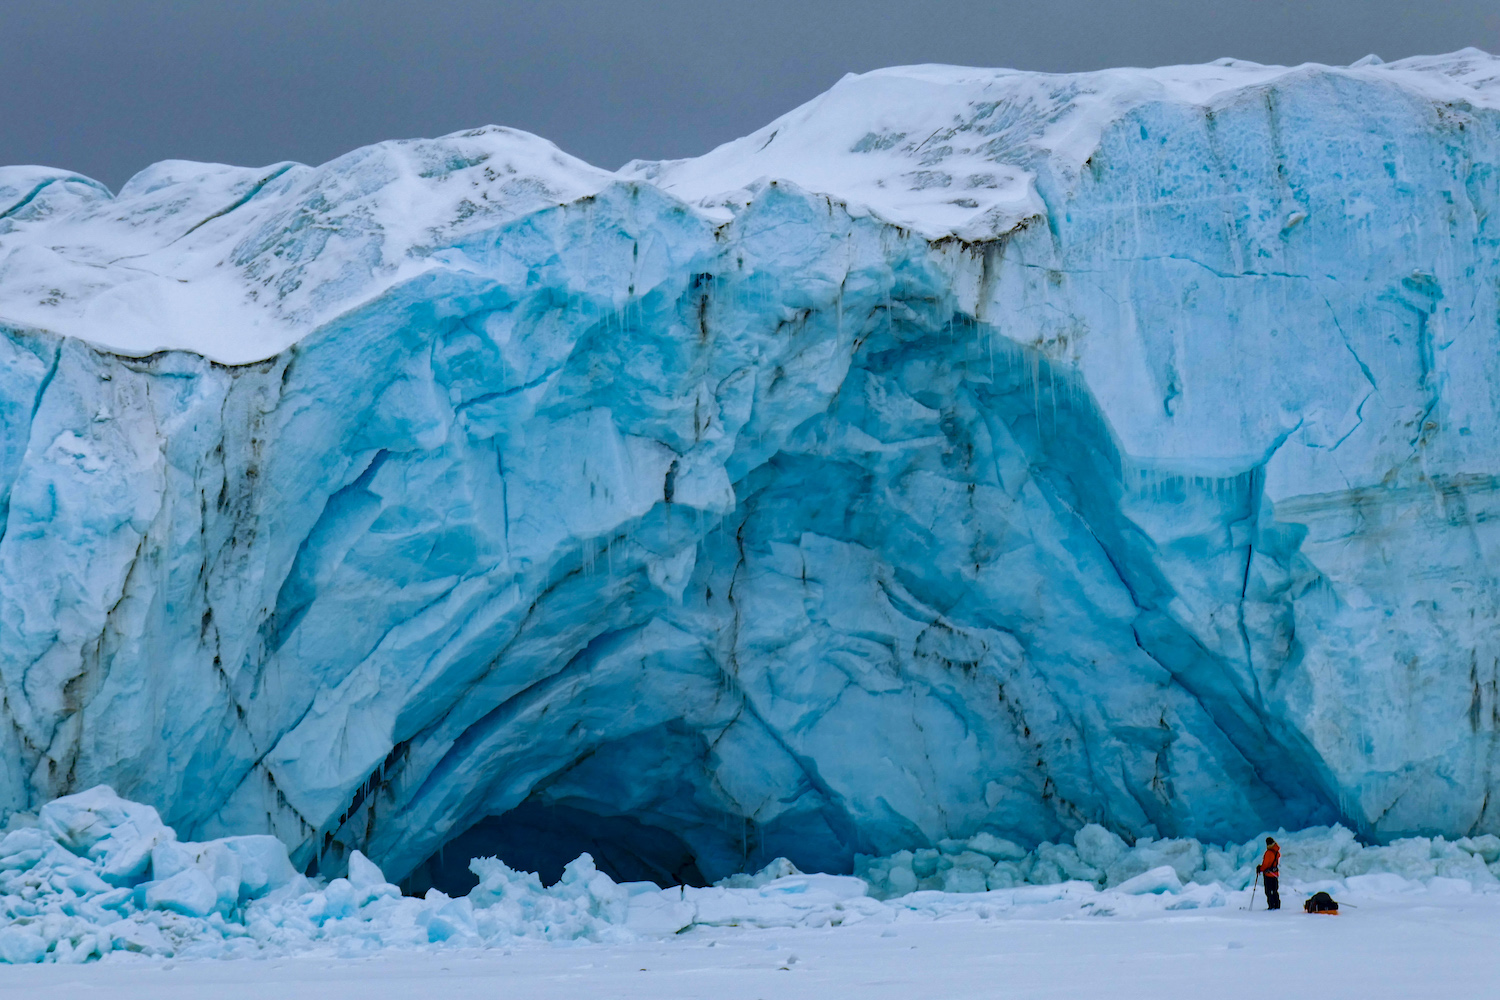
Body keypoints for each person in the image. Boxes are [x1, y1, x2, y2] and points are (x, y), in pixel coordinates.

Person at [1257, 836, 1281, 910]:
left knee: (1268, 891)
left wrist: (1260, 869)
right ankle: (1277, 905)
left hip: (1268, 875)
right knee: (1274, 890)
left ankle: (1271, 906)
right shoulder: (1276, 852)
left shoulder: (1269, 853)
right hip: (1275, 874)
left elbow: (1265, 865)